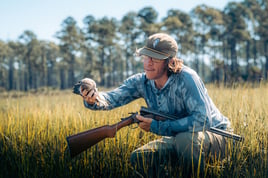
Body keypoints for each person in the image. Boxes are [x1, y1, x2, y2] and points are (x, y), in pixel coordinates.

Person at [80, 33, 231, 177]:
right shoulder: (141, 81)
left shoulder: (187, 78)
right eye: (146, 56)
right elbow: (111, 98)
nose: (148, 63)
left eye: (155, 58)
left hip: (218, 136)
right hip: (181, 138)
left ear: (170, 62)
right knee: (139, 157)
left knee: (185, 140)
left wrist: (156, 127)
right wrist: (93, 98)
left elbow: (202, 120)